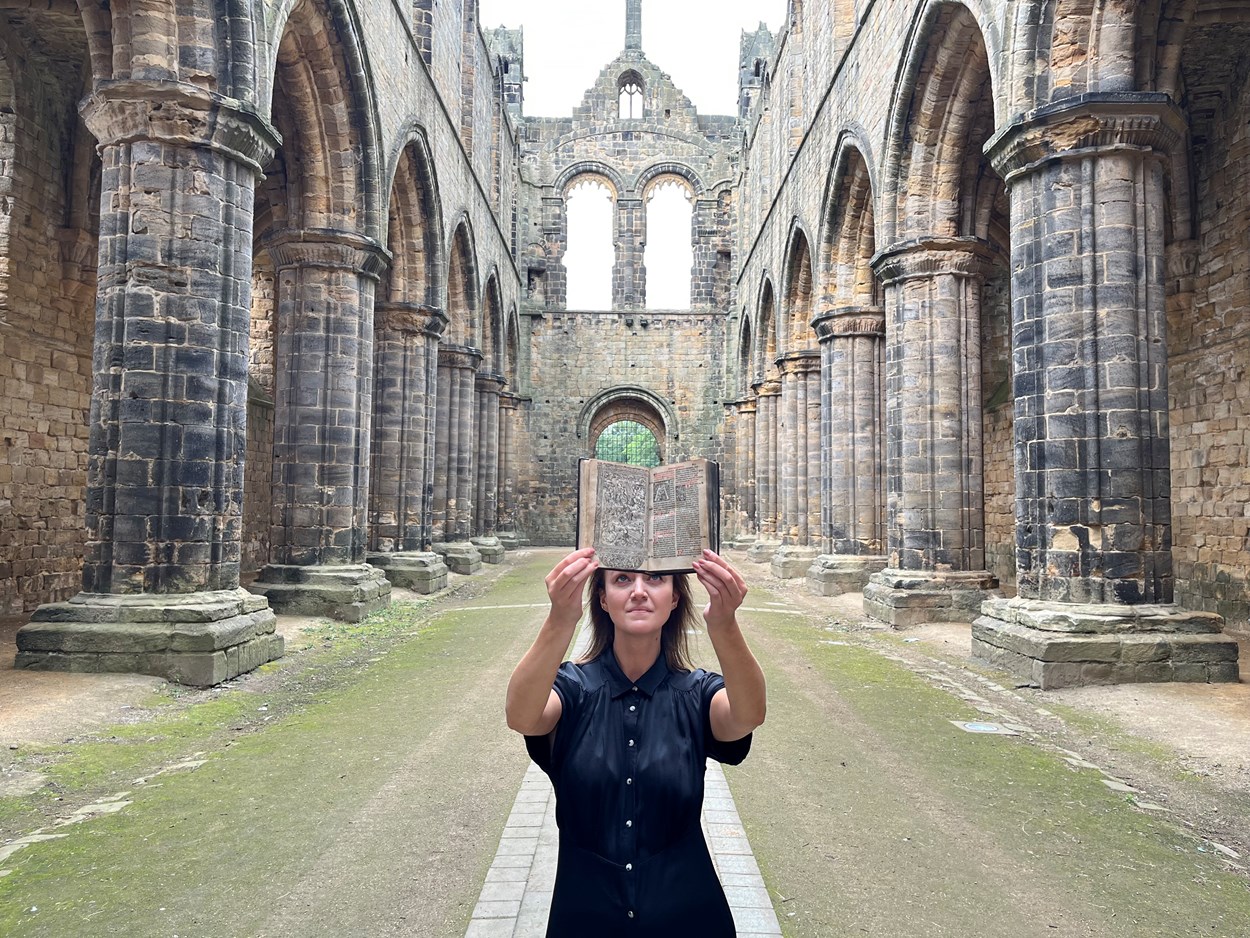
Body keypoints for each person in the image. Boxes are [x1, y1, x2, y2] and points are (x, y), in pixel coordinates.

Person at [506, 547, 766, 937]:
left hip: (688, 917)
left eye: (656, 579)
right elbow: (522, 715)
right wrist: (561, 618)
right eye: (622, 579)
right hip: (586, 918)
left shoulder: (696, 693)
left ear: (675, 597)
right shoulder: (574, 689)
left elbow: (747, 715)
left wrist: (724, 624)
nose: (639, 591)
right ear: (603, 598)